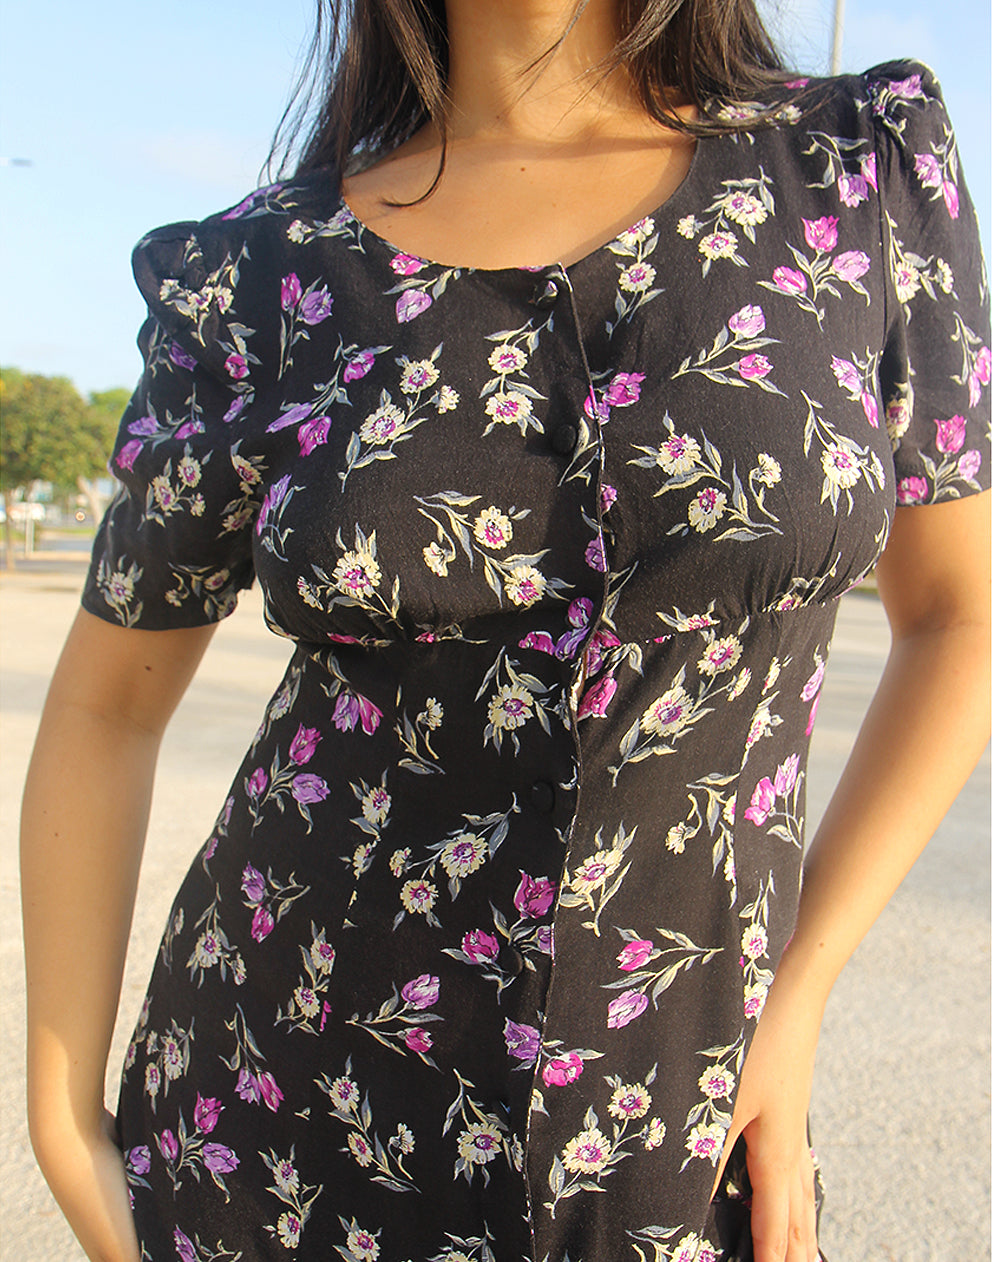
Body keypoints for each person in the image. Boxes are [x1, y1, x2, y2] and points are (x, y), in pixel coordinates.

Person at [21, 2, 991, 1260]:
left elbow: (958, 614)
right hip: (274, 1129)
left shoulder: (851, 167)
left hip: (678, 1132)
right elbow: (107, 702)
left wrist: (797, 987)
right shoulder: (258, 274)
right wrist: (62, 1118)